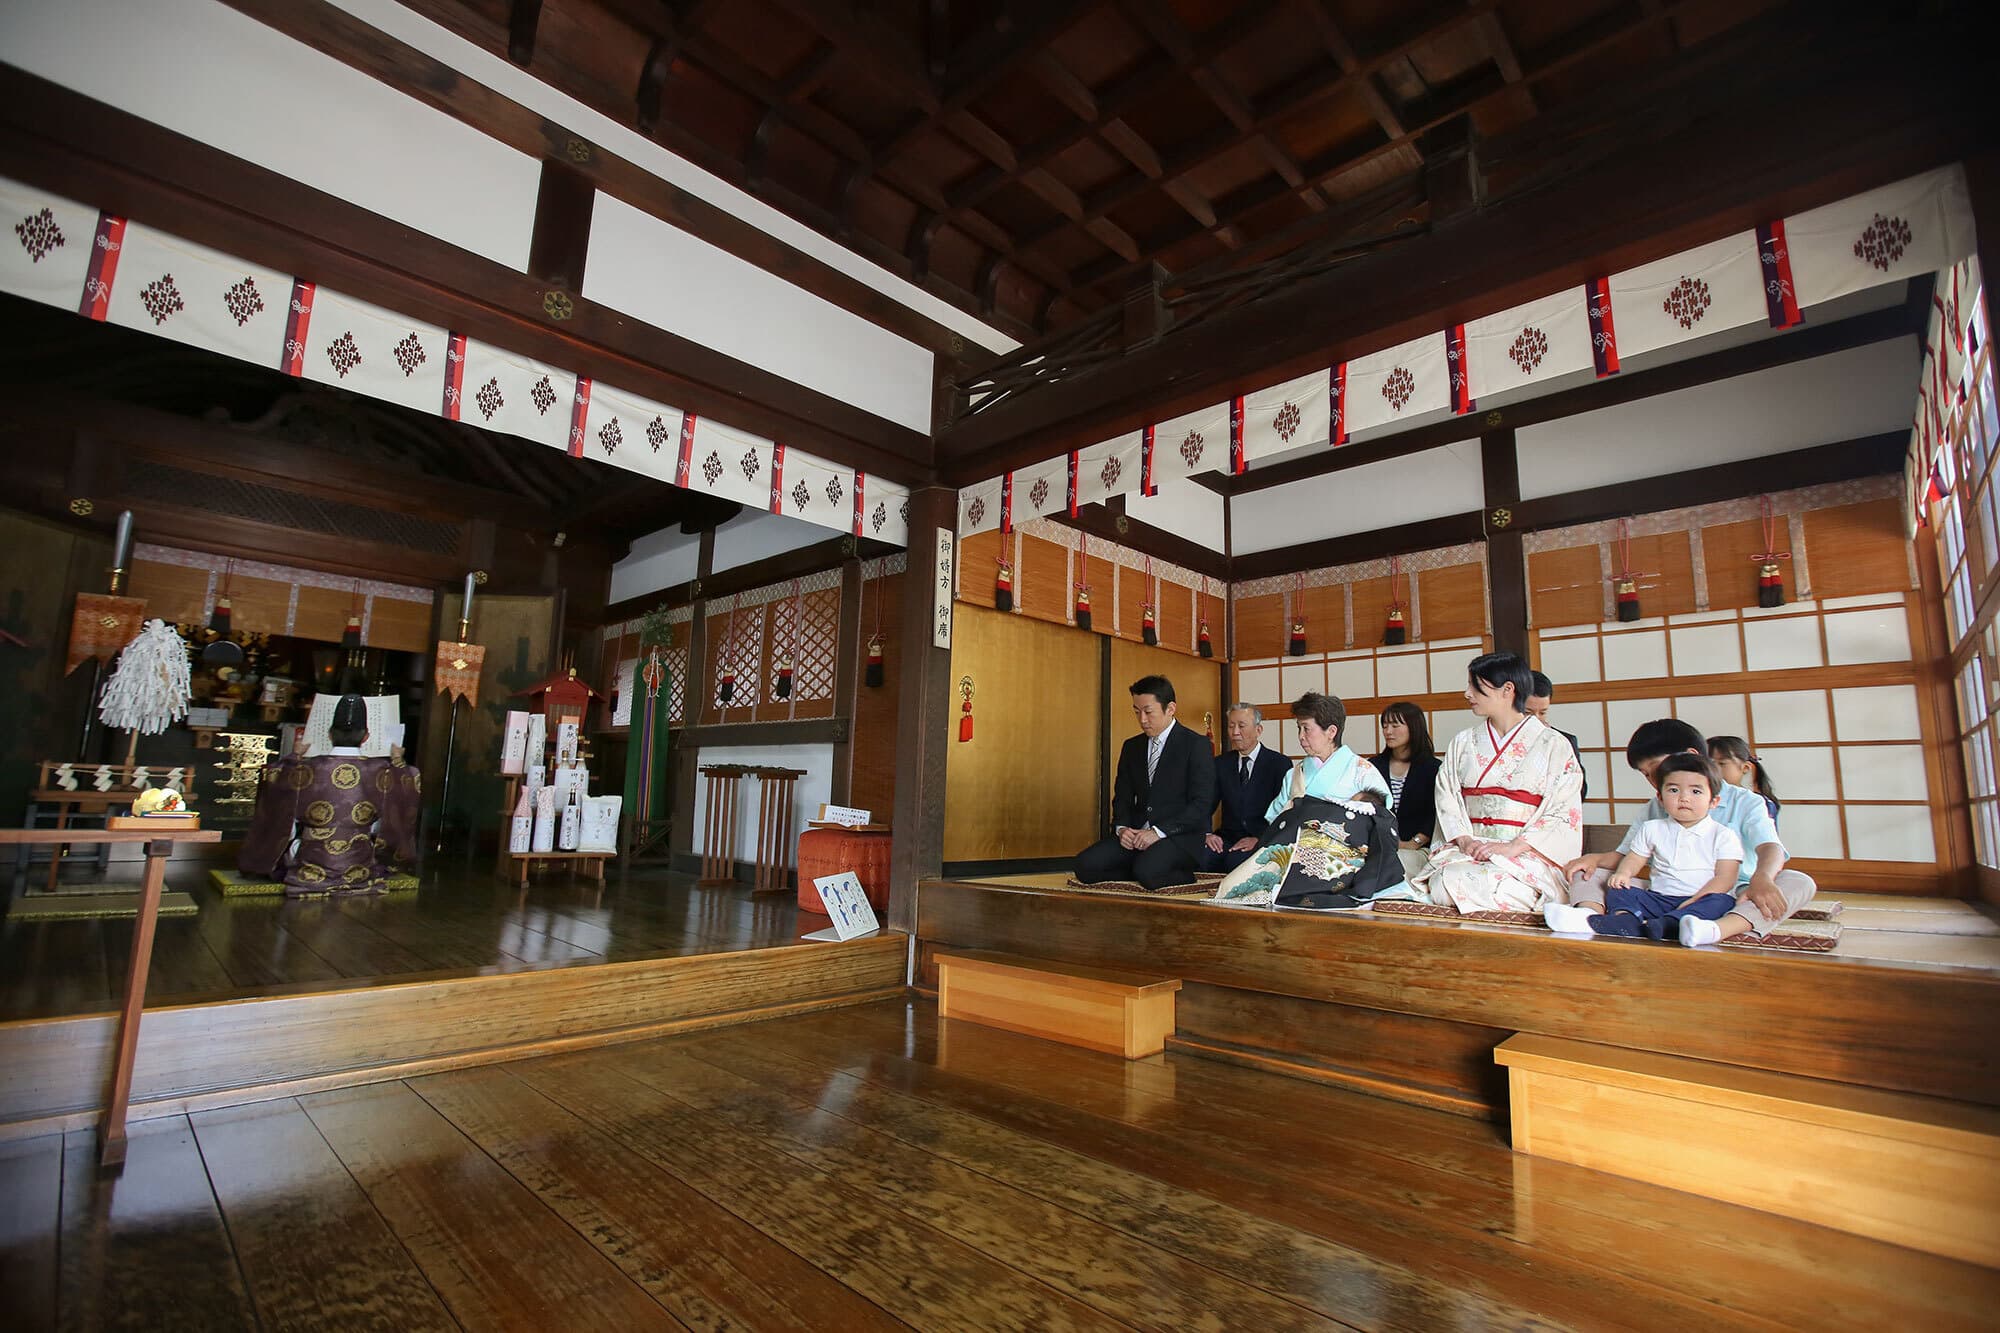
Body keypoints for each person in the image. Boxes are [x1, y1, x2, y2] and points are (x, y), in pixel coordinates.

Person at [1560, 719, 1817, 946]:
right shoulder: (1656, 806)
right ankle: (1591, 919)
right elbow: (1627, 856)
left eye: (1656, 769)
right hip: (1665, 892)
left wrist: (1763, 877)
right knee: (1591, 876)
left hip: (1735, 893)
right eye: (1646, 775)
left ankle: (1718, 929)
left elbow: (1769, 847)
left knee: (1799, 882)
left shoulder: (1746, 801)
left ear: (1691, 756)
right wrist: (1593, 860)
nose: (1653, 781)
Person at [1413, 651, 1585, 913]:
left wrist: (1512, 847)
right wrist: (1464, 840)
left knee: (1499, 886)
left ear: (1507, 690)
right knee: (1445, 882)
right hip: (1470, 849)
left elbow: (1562, 810)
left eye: (1476, 686)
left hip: (1524, 852)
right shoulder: (1463, 742)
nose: (1467, 694)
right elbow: (1447, 795)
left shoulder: (1554, 745)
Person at [1210, 692, 1394, 904]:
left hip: (1343, 858)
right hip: (1293, 853)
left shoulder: (1361, 770)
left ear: (1331, 731)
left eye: (1306, 728)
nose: (1300, 736)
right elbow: (1276, 819)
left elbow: (1382, 818)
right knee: (1236, 887)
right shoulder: (1295, 774)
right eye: (1299, 728)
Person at [1543, 753, 1744, 941]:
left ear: (1714, 801)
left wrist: (1693, 901)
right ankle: (1625, 920)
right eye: (1673, 790)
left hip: (1699, 900)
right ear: (1660, 798)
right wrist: (1623, 874)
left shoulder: (1723, 835)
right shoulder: (1652, 828)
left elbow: (1725, 878)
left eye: (1696, 791)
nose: (1684, 797)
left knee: (1723, 901)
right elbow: (1634, 858)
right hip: (1657, 897)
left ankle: (1671, 925)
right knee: (1618, 887)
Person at [238, 693, 422, 896]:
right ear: (366, 737)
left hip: (310, 858)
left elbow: (274, 783)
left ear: (329, 734)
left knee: (289, 838)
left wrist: (294, 757)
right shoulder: (382, 770)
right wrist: (398, 762)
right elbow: (407, 785)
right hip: (359, 862)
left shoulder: (304, 768)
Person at [1076, 675, 1218, 891]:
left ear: (1170, 708)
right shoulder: (1132, 746)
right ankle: (1140, 867)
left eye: (1148, 712)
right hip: (1136, 834)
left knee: (1149, 873)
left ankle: (1175, 873)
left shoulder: (1195, 745)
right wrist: (1123, 828)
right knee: (1085, 867)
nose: (1142, 719)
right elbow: (1122, 795)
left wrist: (1158, 832)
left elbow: (1201, 804)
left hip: (1178, 836)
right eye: (1136, 711)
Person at [1203, 703, 1291, 873]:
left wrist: (1260, 839)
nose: (1235, 732)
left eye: (1241, 726)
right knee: (1203, 857)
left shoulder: (1279, 764)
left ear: (1258, 730)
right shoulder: (1220, 763)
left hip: (1262, 837)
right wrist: (1207, 834)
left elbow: (1285, 812)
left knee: (1236, 863)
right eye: (1231, 726)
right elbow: (1206, 803)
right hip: (1227, 838)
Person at [1370, 701, 1441, 881]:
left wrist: (1413, 843)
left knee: (1396, 863)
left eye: (1395, 725)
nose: (1388, 731)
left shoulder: (1433, 768)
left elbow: (1436, 813)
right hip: (1376, 844)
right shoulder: (1373, 766)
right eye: (1385, 726)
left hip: (1418, 847)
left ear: (1414, 727)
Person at [1527, 670, 1587, 800]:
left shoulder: (1564, 741)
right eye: (1528, 713)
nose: (1536, 719)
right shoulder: (1504, 740)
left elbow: (1580, 790)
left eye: (1542, 713)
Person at [1709, 735, 1780, 822]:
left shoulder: (1755, 803)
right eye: (1708, 763)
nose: (1713, 769)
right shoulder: (1696, 799)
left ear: (1745, 767)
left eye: (1722, 763)